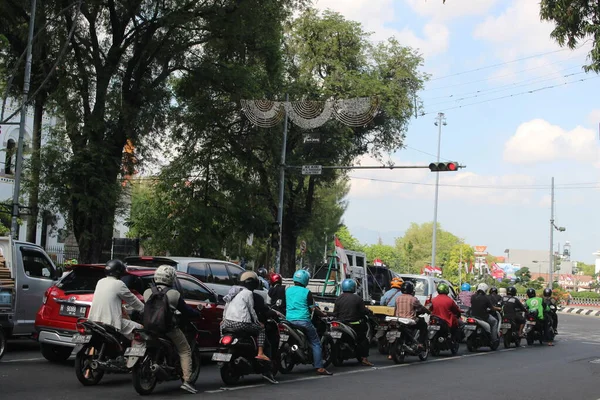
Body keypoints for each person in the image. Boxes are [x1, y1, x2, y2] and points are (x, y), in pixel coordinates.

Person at [143, 265, 202, 394]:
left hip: (148, 328)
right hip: (168, 329)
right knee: (185, 350)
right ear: (171, 278)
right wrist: (197, 313)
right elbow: (186, 311)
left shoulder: (147, 292)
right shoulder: (174, 294)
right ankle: (187, 381)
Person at [286, 269, 332, 375]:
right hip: (303, 321)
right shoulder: (307, 292)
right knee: (316, 343)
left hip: (289, 321)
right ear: (306, 280)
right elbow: (313, 309)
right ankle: (319, 367)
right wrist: (323, 314)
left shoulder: (288, 290)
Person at [88, 259, 144, 340]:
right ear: (119, 272)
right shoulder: (119, 284)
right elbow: (133, 301)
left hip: (94, 321)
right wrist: (145, 309)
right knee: (140, 329)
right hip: (111, 323)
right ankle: (134, 352)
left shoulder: (100, 282)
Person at [221, 271, 270, 360]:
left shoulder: (233, 291)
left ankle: (221, 342)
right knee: (261, 329)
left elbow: (226, 306)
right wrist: (257, 322)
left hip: (227, 322)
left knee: (221, 326)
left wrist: (223, 319)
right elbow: (251, 310)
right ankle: (260, 353)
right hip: (242, 323)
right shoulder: (248, 293)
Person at [333, 279, 374, 366]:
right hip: (353, 324)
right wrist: (369, 312)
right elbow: (363, 311)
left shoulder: (339, 298)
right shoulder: (357, 298)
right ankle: (364, 358)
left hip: (341, 323)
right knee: (363, 339)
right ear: (353, 288)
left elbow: (335, 313)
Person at [394, 281, 431, 355]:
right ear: (411, 289)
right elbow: (421, 308)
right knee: (423, 325)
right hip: (409, 320)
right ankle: (420, 343)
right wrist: (428, 311)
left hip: (398, 319)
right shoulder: (413, 299)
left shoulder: (397, 298)